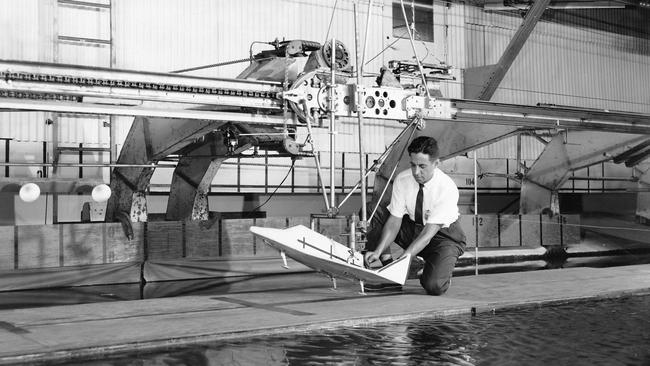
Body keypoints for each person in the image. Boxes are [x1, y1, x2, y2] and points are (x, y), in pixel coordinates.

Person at [364, 136, 466, 295]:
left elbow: (427, 235)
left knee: (434, 286)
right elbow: (394, 221)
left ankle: (437, 269)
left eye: (422, 166)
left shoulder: (446, 188)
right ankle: (388, 273)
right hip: (414, 229)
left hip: (442, 237)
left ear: (436, 163)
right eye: (413, 165)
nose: (416, 172)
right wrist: (378, 251)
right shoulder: (403, 179)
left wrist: (404, 259)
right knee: (373, 210)